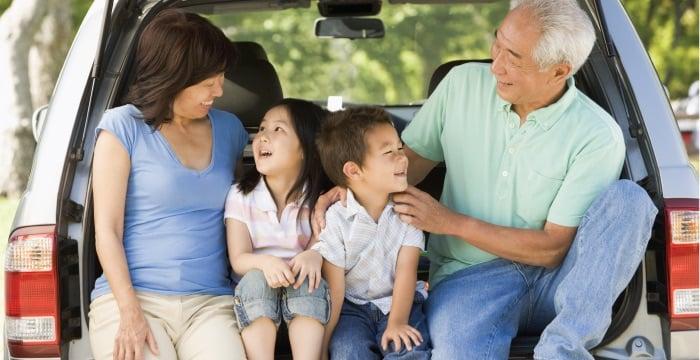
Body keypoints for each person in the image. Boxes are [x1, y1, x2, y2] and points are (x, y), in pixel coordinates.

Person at [314, 1, 658, 359]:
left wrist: (449, 222)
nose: (496, 65)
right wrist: (354, 188)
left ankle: (562, 348)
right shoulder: (461, 85)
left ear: (559, 72)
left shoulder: (598, 134)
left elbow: (553, 248)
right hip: (468, 280)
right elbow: (407, 165)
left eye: (514, 58)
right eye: (498, 43)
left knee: (630, 200)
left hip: (560, 285)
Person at [90, 9, 248, 360]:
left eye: (221, 79)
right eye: (209, 83)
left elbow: (251, 206)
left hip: (210, 303)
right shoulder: (122, 127)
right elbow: (107, 231)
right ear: (174, 77)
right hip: (131, 298)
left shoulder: (230, 129)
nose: (219, 91)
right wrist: (130, 313)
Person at [312, 107, 431, 360]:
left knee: (409, 348)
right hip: (351, 309)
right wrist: (322, 346)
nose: (402, 158)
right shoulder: (336, 220)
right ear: (353, 171)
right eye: (389, 152)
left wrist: (397, 321)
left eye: (400, 148)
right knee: (347, 352)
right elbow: (335, 290)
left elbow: (406, 272)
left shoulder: (408, 212)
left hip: (402, 303)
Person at [225, 99, 331, 360]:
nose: (262, 137)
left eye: (278, 130)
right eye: (261, 129)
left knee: (309, 279)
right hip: (255, 307)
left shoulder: (320, 199)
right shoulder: (241, 195)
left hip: (305, 310)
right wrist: (266, 263)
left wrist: (313, 253)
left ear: (306, 149)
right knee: (255, 280)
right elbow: (238, 259)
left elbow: (326, 242)